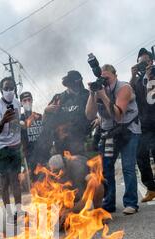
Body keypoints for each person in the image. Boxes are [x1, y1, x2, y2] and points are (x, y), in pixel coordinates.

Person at [86, 64, 141, 215]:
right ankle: (109, 203)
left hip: (128, 130)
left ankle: (131, 203)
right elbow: (89, 115)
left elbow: (118, 115)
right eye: (102, 79)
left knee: (128, 166)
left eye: (107, 78)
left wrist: (103, 95)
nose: (105, 82)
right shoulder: (99, 90)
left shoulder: (124, 88)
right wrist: (92, 94)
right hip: (110, 133)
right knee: (107, 167)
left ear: (115, 75)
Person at [38, 71, 90, 163]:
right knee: (61, 173)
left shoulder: (86, 95)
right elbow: (45, 121)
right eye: (72, 85)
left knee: (80, 170)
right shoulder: (58, 98)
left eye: (77, 84)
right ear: (68, 85)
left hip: (79, 143)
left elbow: (92, 115)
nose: (75, 88)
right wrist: (46, 111)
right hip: (60, 145)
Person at [0, 77, 22, 223]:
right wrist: (3, 120)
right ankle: (9, 213)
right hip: (0, 147)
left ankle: (19, 211)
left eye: (11, 88)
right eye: (6, 88)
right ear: (1, 90)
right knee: (5, 182)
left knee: (15, 179)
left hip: (15, 145)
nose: (9, 91)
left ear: (15, 88)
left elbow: (15, 127)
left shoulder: (17, 103)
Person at [48, 153, 104, 228]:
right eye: (54, 172)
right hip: (74, 196)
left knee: (95, 183)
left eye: (58, 171)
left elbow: (84, 199)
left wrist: (70, 211)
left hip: (85, 192)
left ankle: (98, 213)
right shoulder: (50, 172)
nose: (57, 175)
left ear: (65, 166)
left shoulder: (78, 168)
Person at [130, 47, 155, 202]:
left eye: (145, 61)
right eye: (140, 63)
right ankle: (151, 188)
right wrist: (133, 76)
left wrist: (150, 75)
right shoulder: (137, 81)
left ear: (151, 61)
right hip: (144, 124)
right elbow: (128, 94)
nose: (142, 64)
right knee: (141, 156)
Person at [20, 91, 43, 177]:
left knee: (46, 179)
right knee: (34, 182)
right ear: (21, 103)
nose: (27, 102)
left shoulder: (39, 116)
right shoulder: (19, 118)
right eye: (24, 100)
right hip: (29, 155)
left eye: (29, 100)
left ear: (32, 100)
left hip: (43, 153)